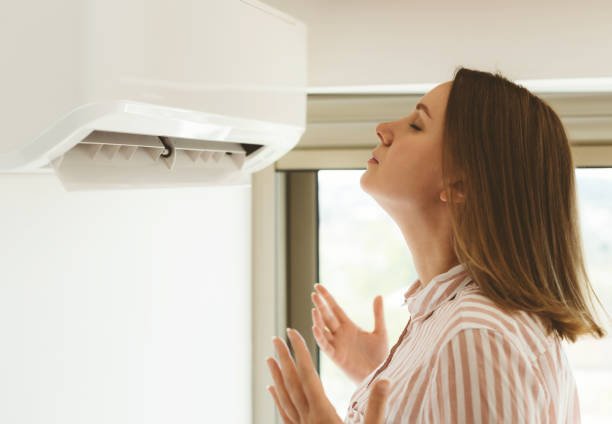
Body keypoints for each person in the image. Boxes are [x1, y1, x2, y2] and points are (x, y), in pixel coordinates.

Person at [266, 67, 609, 423]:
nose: (384, 129)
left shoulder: (476, 337)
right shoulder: (458, 325)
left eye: (417, 125)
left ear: (460, 185)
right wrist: (380, 374)